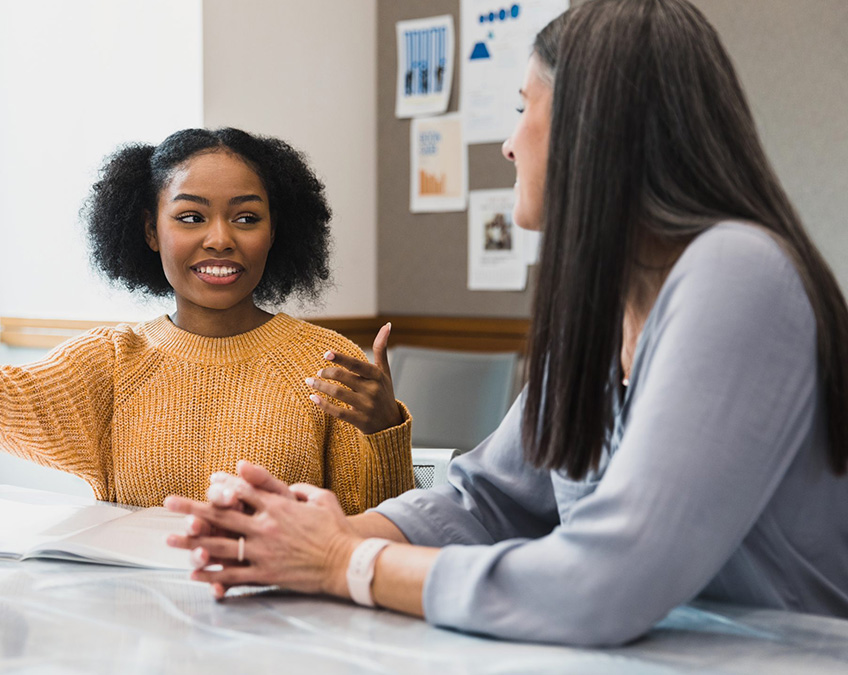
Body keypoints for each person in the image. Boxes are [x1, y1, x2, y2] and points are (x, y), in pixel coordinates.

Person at [164, 0, 848, 647]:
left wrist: (343, 560)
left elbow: (606, 583)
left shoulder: (738, 272)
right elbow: (487, 498)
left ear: (591, 130)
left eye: (524, 109)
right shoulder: (601, 309)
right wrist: (305, 532)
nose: (509, 143)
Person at [0, 127, 414, 513]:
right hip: (133, 615)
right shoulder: (113, 361)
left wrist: (384, 430)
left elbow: (378, 530)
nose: (220, 239)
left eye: (246, 218)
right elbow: (12, 401)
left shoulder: (326, 364)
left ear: (275, 231)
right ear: (151, 231)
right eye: (191, 217)